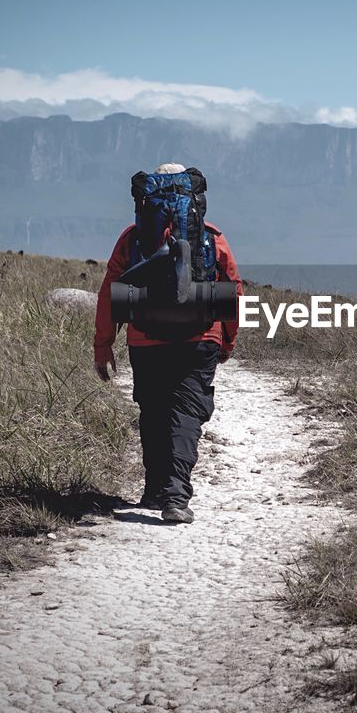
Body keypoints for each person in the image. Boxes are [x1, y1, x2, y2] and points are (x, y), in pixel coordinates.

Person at [92, 163, 241, 524]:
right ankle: (175, 496)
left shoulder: (133, 239)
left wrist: (103, 345)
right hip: (200, 337)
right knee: (187, 413)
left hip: (145, 338)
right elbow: (233, 288)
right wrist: (228, 341)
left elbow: (110, 291)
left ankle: (154, 488)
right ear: (194, 199)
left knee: (154, 411)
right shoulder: (210, 236)